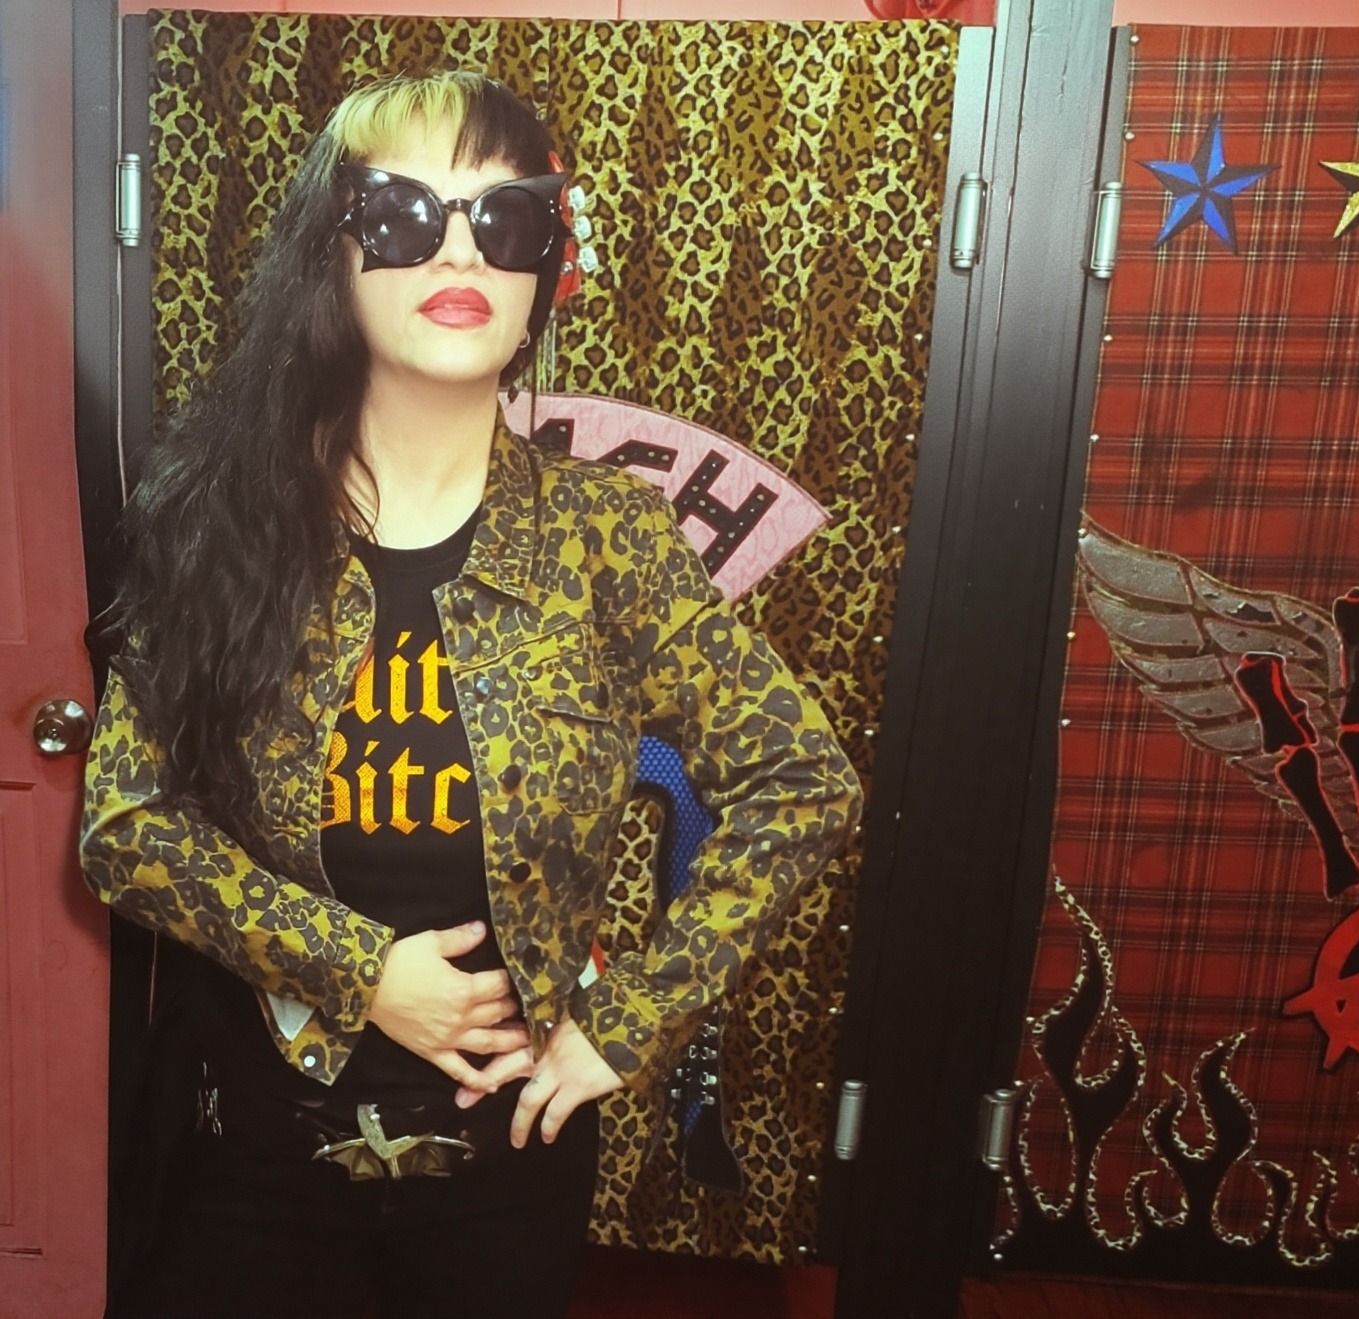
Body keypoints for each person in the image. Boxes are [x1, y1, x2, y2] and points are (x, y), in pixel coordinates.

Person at [81, 68, 863, 1319]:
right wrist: (362, 969)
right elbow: (124, 825)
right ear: (330, 253)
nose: (460, 251)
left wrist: (628, 1022)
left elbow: (803, 781)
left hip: (504, 1174)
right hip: (247, 1156)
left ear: (546, 263)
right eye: (403, 213)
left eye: (507, 218)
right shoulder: (214, 519)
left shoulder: (606, 537)